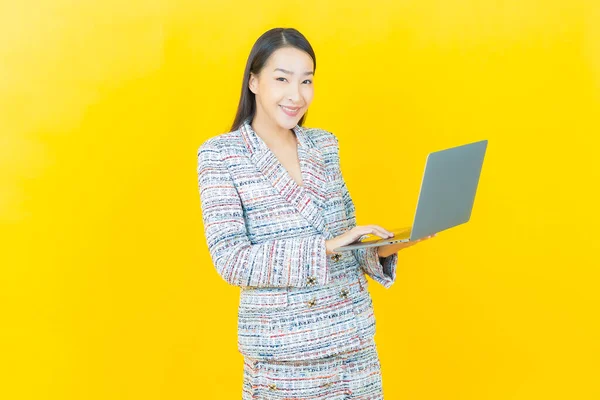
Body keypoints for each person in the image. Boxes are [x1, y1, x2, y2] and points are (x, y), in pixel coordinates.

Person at [197, 27, 434, 400]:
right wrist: (323, 247)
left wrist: (389, 246)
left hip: (354, 348)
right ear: (254, 81)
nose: (297, 95)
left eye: (306, 81)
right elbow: (232, 260)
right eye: (282, 79)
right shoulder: (221, 155)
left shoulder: (323, 145)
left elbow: (346, 243)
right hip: (286, 359)